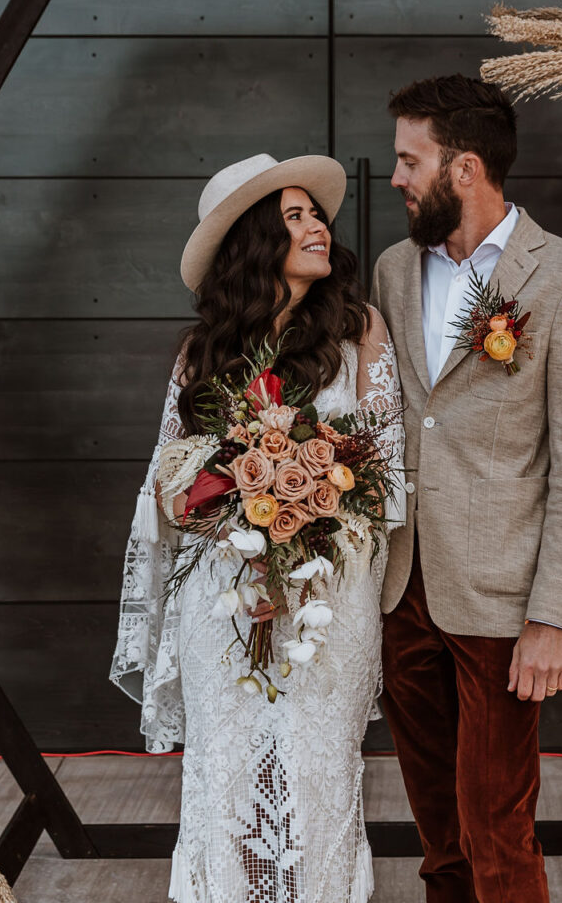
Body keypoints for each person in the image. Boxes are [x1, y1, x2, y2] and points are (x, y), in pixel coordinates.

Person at [109, 153, 405, 903]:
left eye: (316, 215)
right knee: (230, 769)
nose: (318, 228)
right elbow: (168, 489)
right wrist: (235, 514)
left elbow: (389, 479)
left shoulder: (359, 331)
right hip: (219, 600)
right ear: (253, 243)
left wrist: (301, 530)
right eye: (295, 218)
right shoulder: (200, 353)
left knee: (318, 771)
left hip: (326, 600)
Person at [370, 74, 562, 903]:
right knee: (439, 838)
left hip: (503, 604)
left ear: (464, 168)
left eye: (411, 161)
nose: (396, 178)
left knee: (495, 833)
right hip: (404, 590)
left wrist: (553, 616)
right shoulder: (392, 272)